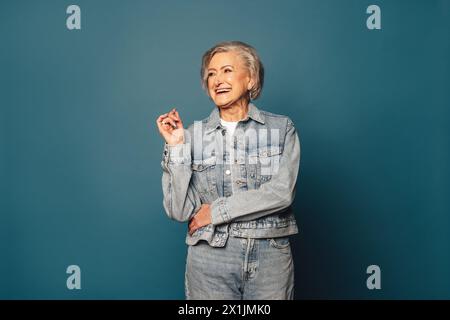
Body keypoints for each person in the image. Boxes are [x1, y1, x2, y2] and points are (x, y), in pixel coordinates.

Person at [156, 41, 301, 300]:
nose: (217, 80)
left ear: (251, 79)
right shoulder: (191, 136)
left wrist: (216, 211)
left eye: (227, 71)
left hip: (270, 255)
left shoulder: (281, 129)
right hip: (210, 258)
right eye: (211, 73)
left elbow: (281, 194)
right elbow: (179, 211)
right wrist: (177, 146)